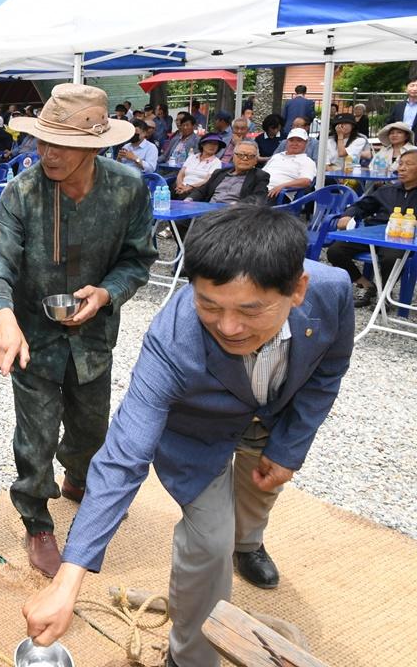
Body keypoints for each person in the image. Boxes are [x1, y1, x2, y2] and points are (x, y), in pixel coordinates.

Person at [22, 205, 354, 667]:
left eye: (250, 310)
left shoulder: (332, 291)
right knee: (209, 543)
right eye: (210, 306)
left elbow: (328, 370)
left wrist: (289, 447)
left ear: (297, 290)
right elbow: (123, 457)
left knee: (259, 493)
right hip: (199, 434)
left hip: (274, 415)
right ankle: (189, 657)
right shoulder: (172, 340)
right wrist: (68, 580)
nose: (229, 327)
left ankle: (250, 544)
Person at [0, 83, 155, 578]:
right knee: (35, 434)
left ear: (96, 147)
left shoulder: (127, 189)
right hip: (33, 336)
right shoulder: (23, 191)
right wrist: (3, 318)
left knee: (90, 426)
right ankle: (36, 519)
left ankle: (78, 476)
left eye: (64, 144)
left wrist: (105, 293)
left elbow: (138, 259)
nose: (49, 153)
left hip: (94, 336)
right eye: (43, 140)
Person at [327, 149, 417, 308]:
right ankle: (367, 286)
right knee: (335, 250)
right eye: (400, 163)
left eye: (409, 164)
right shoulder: (387, 190)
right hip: (373, 234)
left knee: (391, 258)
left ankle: (385, 294)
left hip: (403, 239)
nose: (402, 168)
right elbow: (361, 206)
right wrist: (348, 215)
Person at [189, 141, 270, 206]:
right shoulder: (219, 172)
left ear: (256, 160)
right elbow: (202, 190)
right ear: (233, 157)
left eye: (250, 156)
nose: (245, 158)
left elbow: (258, 198)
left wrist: (237, 205)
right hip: (207, 209)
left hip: (233, 215)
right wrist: (189, 199)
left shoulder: (260, 176)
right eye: (240, 155)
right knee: (178, 221)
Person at [264, 128, 318, 199]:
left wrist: (282, 186)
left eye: (299, 141)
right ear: (287, 142)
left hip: (278, 195)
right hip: (260, 189)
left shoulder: (307, 161)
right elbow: (262, 173)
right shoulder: (276, 156)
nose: (294, 144)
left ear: (306, 143)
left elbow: (306, 181)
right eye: (291, 140)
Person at [173, 132, 225, 198]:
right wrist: (179, 185)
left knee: (183, 197)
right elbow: (181, 173)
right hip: (182, 186)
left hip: (198, 189)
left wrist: (190, 187)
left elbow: (208, 180)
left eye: (215, 144)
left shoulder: (216, 162)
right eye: (210, 143)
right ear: (202, 144)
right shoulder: (192, 157)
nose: (212, 146)